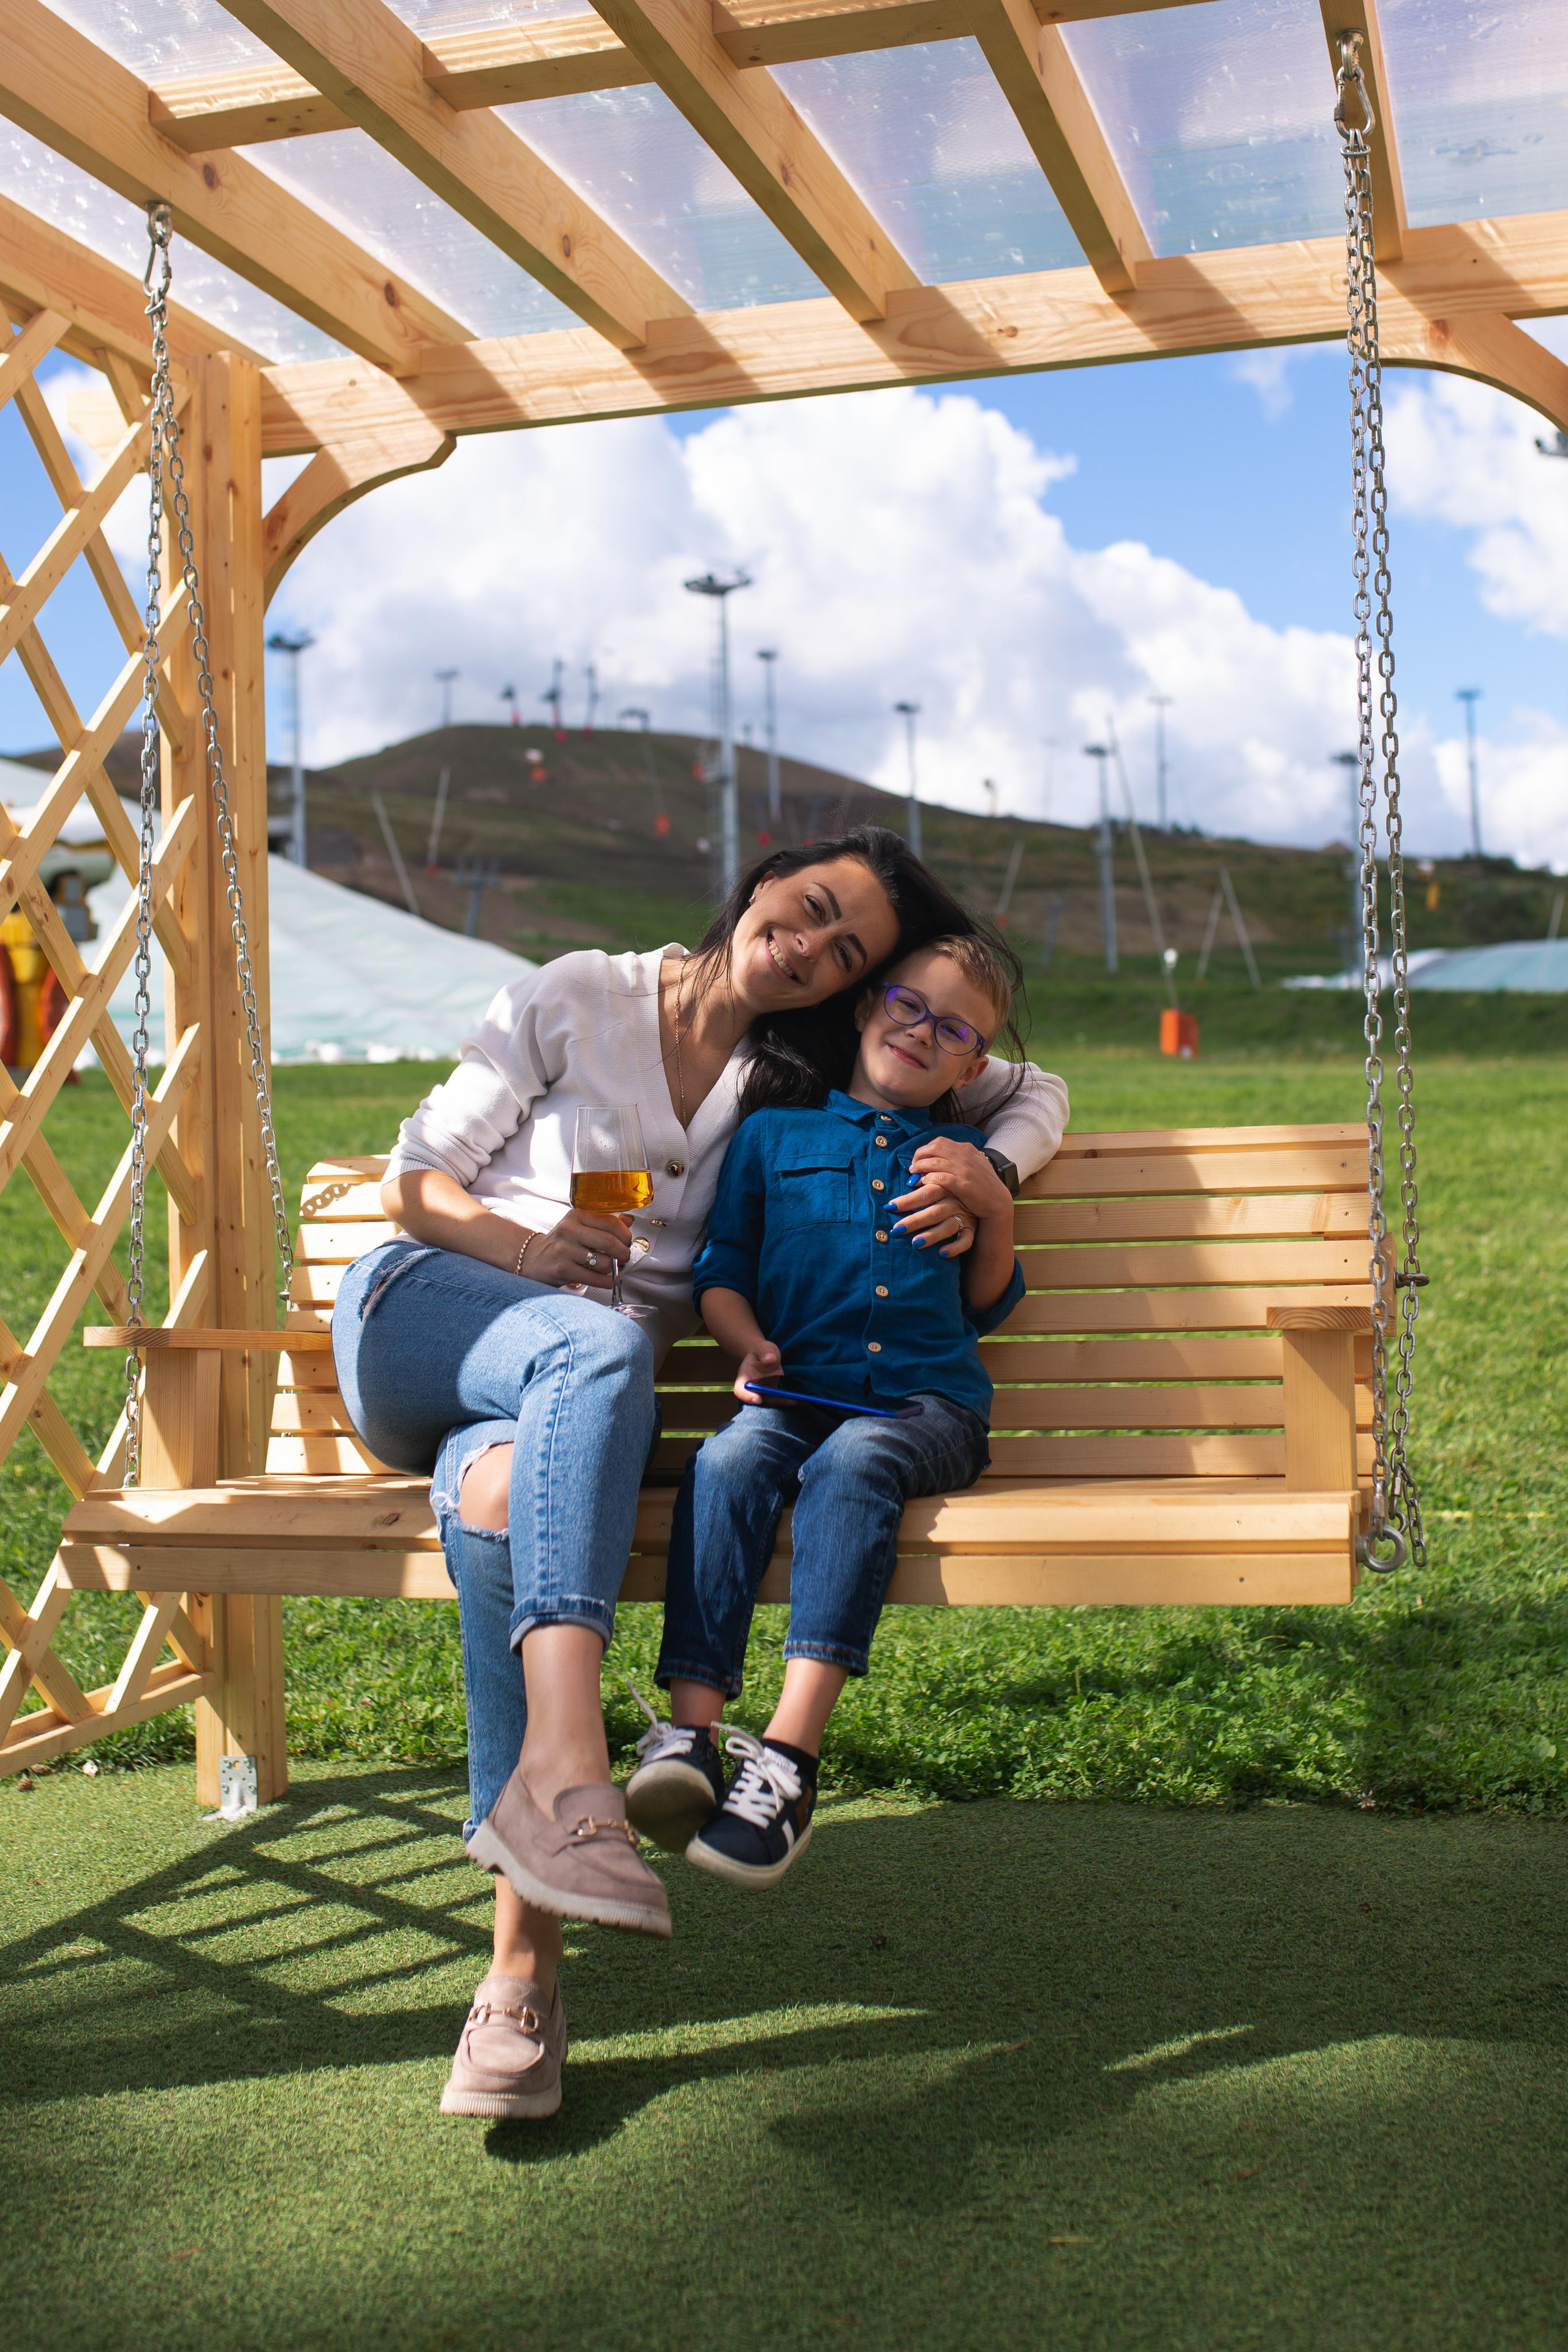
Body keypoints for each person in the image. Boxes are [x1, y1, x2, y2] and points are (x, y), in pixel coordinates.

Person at [331, 829, 1068, 2122]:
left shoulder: (785, 1081)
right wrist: (529, 1238)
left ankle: (517, 1982)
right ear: (757, 883)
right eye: (809, 908)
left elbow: (1027, 1084)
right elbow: (413, 1182)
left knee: (502, 1503)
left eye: (847, 953)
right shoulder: (577, 994)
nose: (811, 949)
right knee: (600, 1338)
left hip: (560, 1403)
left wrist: (990, 1174)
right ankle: (570, 1770)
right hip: (425, 1317)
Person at [628, 935, 1028, 1886]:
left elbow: (986, 1301)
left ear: (975, 1063)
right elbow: (723, 1268)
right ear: (865, 1009)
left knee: (856, 1462)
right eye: (908, 1005)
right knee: (725, 1463)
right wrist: (745, 1342)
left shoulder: (969, 1157)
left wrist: (995, 1210)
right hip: (796, 1391)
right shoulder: (774, 1137)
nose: (923, 1033)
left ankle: (790, 1759)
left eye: (955, 1029)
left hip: (924, 1408)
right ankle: (688, 1739)